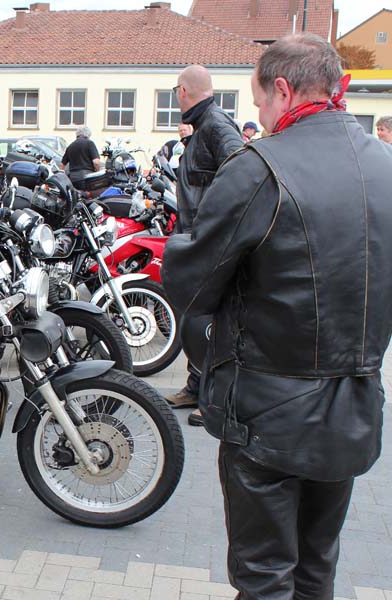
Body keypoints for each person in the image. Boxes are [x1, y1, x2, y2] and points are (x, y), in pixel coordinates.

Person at [162, 34, 392, 600]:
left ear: (281, 89)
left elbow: (191, 284)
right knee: (315, 557)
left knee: (265, 574)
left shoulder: (259, 167)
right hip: (352, 400)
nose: (259, 113)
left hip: (269, 408)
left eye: (259, 99)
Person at [164, 64, 245, 428]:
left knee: (211, 324)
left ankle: (213, 398)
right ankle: (196, 386)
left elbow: (240, 173)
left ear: (183, 91)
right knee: (194, 319)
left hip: (211, 242)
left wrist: (215, 226)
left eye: (176, 92)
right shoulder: (202, 125)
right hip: (196, 239)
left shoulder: (215, 124)